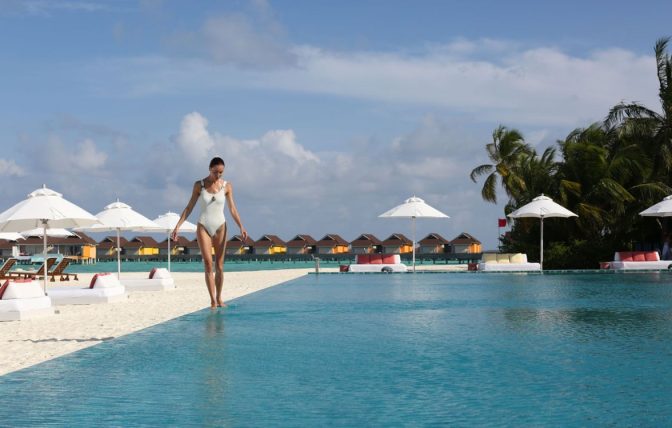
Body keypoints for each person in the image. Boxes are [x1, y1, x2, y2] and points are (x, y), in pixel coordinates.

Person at [171, 157, 247, 308]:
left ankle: (219, 298)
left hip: (221, 227)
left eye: (221, 172)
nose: (218, 175)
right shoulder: (199, 185)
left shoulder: (227, 186)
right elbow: (189, 207)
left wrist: (241, 226)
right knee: (207, 264)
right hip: (203, 226)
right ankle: (212, 300)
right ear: (209, 169)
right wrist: (177, 226)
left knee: (220, 265)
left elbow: (232, 209)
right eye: (216, 172)